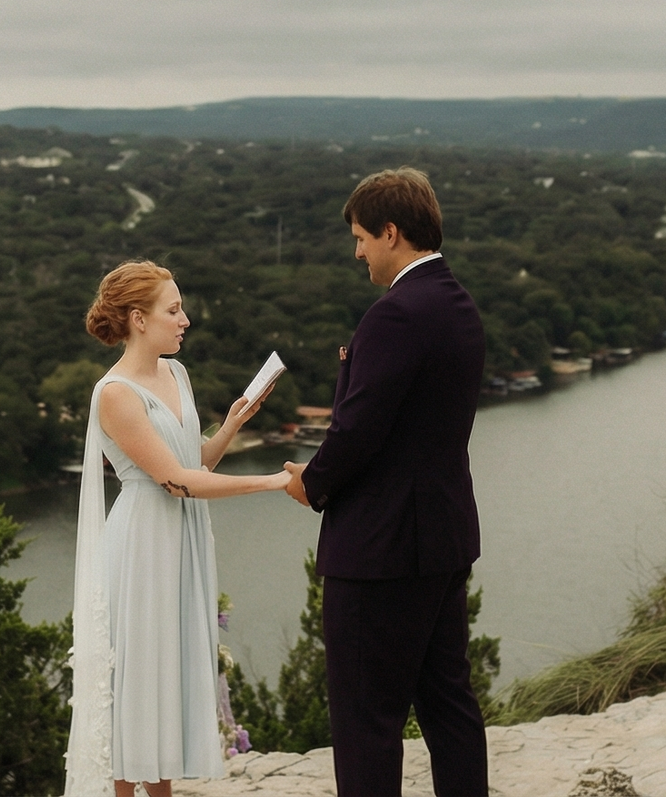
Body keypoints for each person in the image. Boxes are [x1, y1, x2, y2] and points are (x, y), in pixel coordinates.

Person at [283, 168, 489, 797]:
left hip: (381, 552)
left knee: (366, 719)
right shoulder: (458, 305)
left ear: (391, 232)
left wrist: (309, 483)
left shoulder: (394, 315)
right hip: (443, 540)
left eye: (362, 238)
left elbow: (357, 433)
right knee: (448, 703)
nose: (357, 252)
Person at [66, 261, 289, 797]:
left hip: (180, 542)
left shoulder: (175, 374)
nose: (185, 319)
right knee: (136, 685)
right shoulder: (114, 393)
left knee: (163, 681)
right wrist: (275, 482)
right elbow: (175, 482)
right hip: (142, 546)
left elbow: (195, 462)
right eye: (174, 310)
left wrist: (233, 421)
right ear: (139, 319)